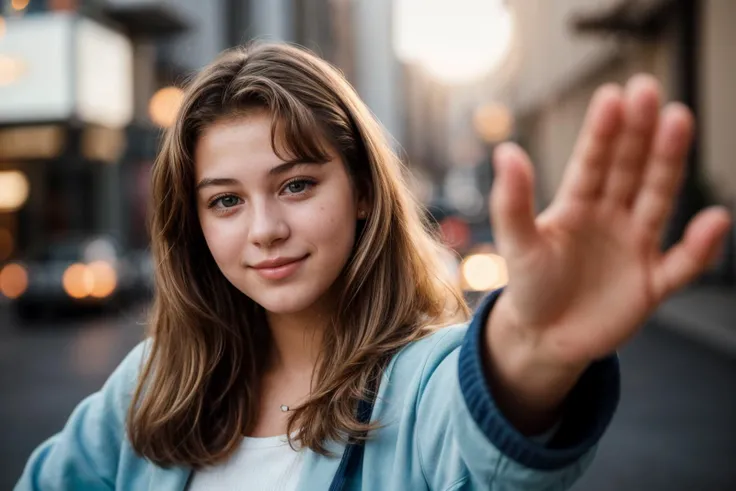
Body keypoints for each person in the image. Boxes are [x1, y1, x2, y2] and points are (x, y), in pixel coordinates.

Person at [15, 43, 731, 491]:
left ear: (360, 190)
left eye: (296, 184)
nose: (265, 229)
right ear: (194, 224)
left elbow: (480, 442)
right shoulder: (147, 384)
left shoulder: (421, 383)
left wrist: (533, 352)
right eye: (226, 200)